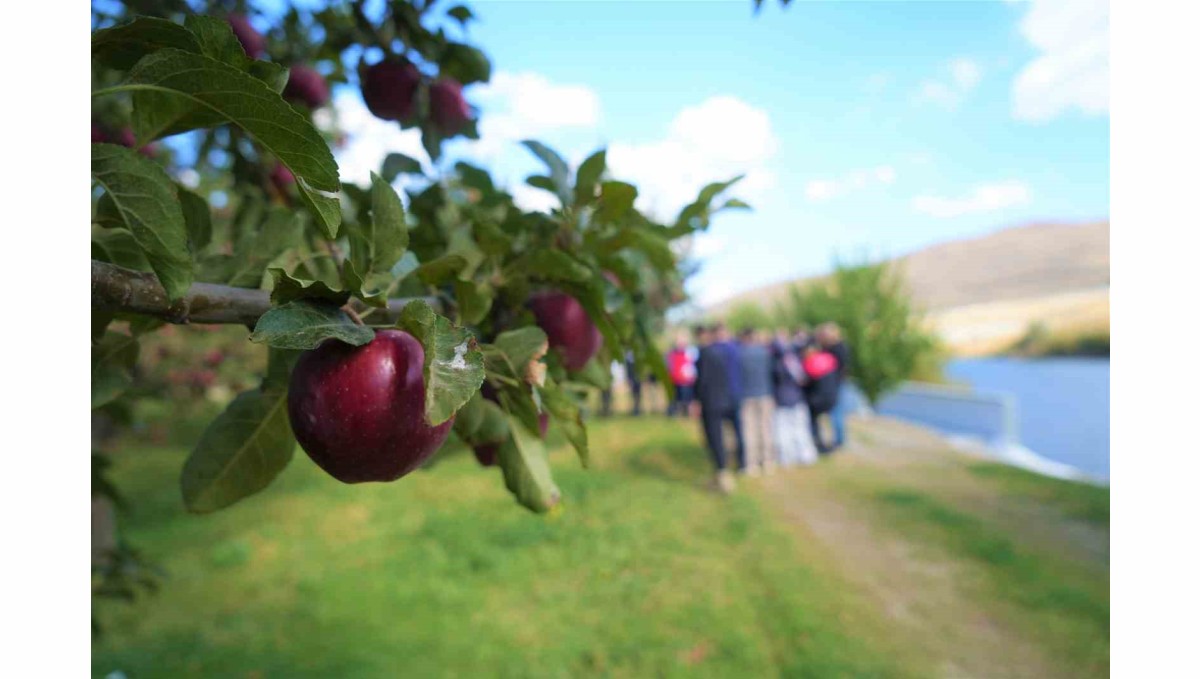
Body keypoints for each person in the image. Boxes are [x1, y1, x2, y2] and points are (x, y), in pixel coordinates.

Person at [692, 325, 742, 493]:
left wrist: (697, 401)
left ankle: (722, 474)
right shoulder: (726, 352)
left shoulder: (705, 353)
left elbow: (702, 380)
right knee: (730, 433)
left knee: (714, 437)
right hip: (727, 398)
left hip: (711, 401)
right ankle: (732, 466)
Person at [771, 330, 819, 466]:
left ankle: (787, 457)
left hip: (782, 399)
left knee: (784, 431)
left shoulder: (775, 361)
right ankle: (804, 455)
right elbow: (801, 379)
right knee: (799, 428)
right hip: (795, 398)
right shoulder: (790, 360)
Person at [737, 328, 775, 476]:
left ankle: (751, 463)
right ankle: (767, 460)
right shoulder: (765, 352)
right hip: (764, 394)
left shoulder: (740, 354)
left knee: (749, 430)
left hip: (747, 396)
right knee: (765, 428)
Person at [711, 322, 747, 470]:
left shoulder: (714, 350)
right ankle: (740, 461)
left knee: (727, 430)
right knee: (737, 430)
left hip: (725, 395)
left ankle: (730, 460)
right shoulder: (736, 349)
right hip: (734, 393)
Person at [817, 322, 851, 451]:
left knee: (837, 412)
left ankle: (840, 441)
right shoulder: (831, 348)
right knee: (835, 413)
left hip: (837, 384)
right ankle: (838, 439)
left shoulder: (838, 348)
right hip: (834, 384)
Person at [802, 342, 840, 455]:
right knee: (828, 421)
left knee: (815, 423)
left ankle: (820, 445)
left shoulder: (809, 363)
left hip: (818, 399)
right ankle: (831, 444)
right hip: (832, 396)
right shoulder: (829, 359)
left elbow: (807, 383)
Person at [666, 330, 697, 417]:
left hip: (686, 380)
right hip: (675, 379)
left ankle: (685, 411)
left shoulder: (690, 353)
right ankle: (674, 411)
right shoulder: (672, 353)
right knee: (674, 397)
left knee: (686, 397)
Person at [624, 350, 642, 416]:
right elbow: (628, 369)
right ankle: (634, 409)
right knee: (633, 394)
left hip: (638, 378)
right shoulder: (628, 357)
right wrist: (629, 378)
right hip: (632, 378)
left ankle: (637, 409)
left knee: (638, 394)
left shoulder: (639, 356)